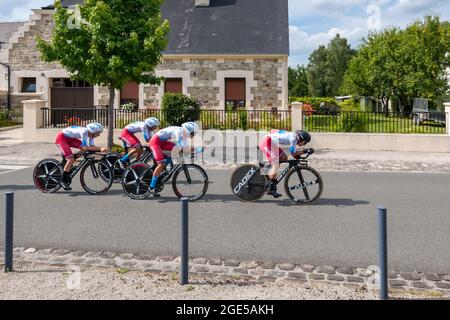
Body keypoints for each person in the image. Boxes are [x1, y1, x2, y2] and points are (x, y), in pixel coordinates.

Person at [148, 122, 200, 197]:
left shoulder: (184, 134)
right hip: (155, 142)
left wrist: (193, 152)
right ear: (188, 130)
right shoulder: (179, 131)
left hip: (163, 142)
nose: (193, 135)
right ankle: (151, 187)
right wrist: (196, 149)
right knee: (162, 163)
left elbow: (185, 147)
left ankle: (162, 172)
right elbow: (181, 146)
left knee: (174, 154)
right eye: (193, 133)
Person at [55, 122, 108, 191]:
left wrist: (100, 149)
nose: (99, 134)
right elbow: (86, 147)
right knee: (71, 159)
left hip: (70, 138)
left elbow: (91, 146)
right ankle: (63, 181)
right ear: (93, 131)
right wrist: (100, 148)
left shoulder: (91, 135)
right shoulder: (84, 132)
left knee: (83, 150)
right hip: (62, 138)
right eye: (98, 132)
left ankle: (70, 163)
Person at [259, 129, 312, 198]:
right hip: (267, 142)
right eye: (305, 142)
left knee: (284, 157)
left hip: (270, 142)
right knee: (276, 165)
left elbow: (273, 131)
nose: (304, 144)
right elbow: (294, 154)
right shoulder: (293, 139)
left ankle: (267, 169)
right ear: (301, 138)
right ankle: (269, 188)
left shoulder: (292, 135)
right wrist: (306, 151)